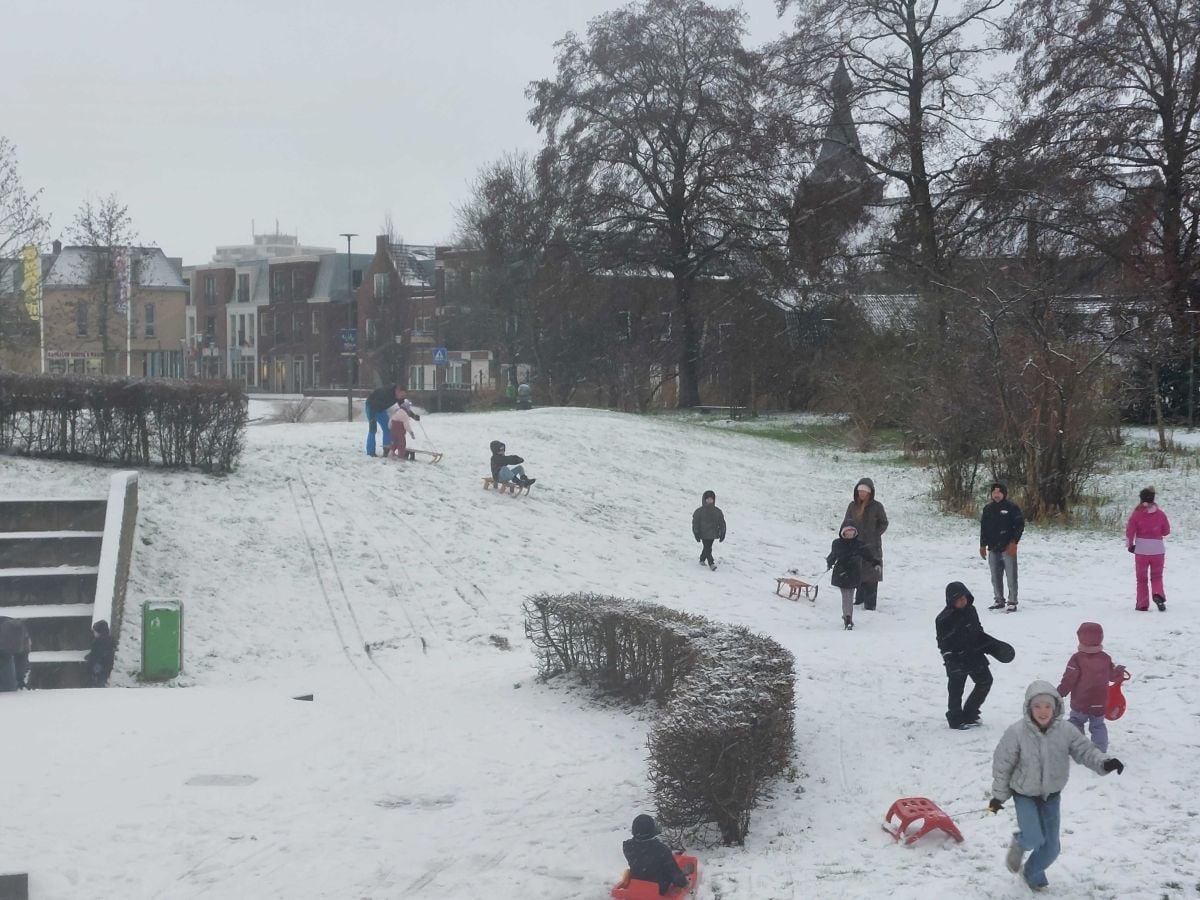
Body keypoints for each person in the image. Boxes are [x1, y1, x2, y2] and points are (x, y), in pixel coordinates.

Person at [988, 682, 1125, 891]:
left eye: (1047, 706)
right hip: (1024, 794)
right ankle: (1020, 843)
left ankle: (1032, 872)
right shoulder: (1016, 732)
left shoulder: (1066, 731)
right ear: (1028, 708)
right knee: (1033, 837)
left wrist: (1104, 762)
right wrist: (998, 797)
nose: (1043, 711)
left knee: (1051, 847)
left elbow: (1084, 750)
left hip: (1051, 795)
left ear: (1056, 708)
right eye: (1037, 706)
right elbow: (1002, 765)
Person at [1056, 623, 1125, 752]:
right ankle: (1100, 749)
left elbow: (1069, 679)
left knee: (1076, 722)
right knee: (1098, 726)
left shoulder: (1077, 659)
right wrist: (1118, 672)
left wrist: (1060, 692)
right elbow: (1111, 677)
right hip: (1100, 701)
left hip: (1081, 702)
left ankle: (1078, 747)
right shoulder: (1105, 658)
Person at [935, 582, 993, 729]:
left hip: (974, 654)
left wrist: (987, 645)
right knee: (956, 689)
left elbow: (978, 630)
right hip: (956, 658)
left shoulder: (971, 611)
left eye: (964, 598)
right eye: (958, 599)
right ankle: (955, 718)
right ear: (951, 600)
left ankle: (970, 712)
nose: (962, 601)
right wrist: (949, 659)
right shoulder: (943, 619)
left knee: (985, 681)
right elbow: (942, 642)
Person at [842, 477, 887, 610]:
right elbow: (846, 522)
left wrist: (875, 533)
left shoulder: (877, 506)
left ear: (870, 493)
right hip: (856, 544)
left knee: (872, 573)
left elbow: (884, 523)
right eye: (859, 491)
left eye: (864, 491)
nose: (861, 494)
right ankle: (859, 599)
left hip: (873, 545)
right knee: (857, 571)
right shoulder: (852, 506)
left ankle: (870, 603)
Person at [826, 523, 880, 631]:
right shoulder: (837, 543)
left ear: (855, 533)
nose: (850, 534)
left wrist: (876, 563)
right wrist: (829, 563)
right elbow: (833, 555)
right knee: (846, 596)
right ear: (843, 533)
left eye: (852, 532)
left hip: (854, 573)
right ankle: (848, 617)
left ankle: (847, 617)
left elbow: (867, 555)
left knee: (849, 596)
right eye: (847, 532)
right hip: (842, 572)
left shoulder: (859, 544)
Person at [980, 482, 1024, 612]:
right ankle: (999, 599)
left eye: (999, 492)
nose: (996, 495)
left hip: (1007, 547)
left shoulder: (1011, 507)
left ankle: (1012, 601)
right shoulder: (987, 509)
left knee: (1011, 575)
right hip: (993, 547)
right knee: (995, 576)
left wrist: (1014, 542)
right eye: (994, 493)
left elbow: (1020, 525)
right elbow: (984, 528)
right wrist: (982, 545)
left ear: (1003, 494)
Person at [622, 814, 691, 895]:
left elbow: (643, 860)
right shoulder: (661, 850)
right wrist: (683, 882)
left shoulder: (628, 846)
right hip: (658, 889)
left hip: (636, 884)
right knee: (672, 870)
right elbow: (673, 873)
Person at [1125, 486, 1169, 611]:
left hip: (1141, 551)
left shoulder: (1136, 514)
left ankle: (1142, 604)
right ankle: (1157, 594)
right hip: (1158, 551)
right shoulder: (1161, 514)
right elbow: (1166, 531)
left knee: (1141, 579)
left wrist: (1130, 545)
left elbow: (1129, 531)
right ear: (1153, 499)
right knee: (1157, 576)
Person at [364, 385, 420, 458]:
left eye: (404, 395)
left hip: (381, 410)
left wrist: (413, 416)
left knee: (388, 428)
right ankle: (370, 452)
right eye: (402, 394)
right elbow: (373, 404)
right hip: (371, 407)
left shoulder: (398, 397)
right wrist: (372, 420)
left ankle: (387, 450)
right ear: (397, 391)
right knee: (373, 429)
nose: (402, 397)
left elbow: (403, 408)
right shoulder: (385, 393)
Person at [691, 490, 726, 571]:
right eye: (708, 499)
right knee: (708, 548)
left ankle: (702, 559)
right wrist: (696, 532)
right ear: (704, 500)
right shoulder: (699, 511)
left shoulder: (717, 511)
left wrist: (722, 532)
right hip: (703, 534)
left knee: (707, 547)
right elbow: (695, 523)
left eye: (711, 499)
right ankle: (711, 563)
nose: (709, 501)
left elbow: (722, 522)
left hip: (713, 534)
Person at [0, 616, 29, 693]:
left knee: (9, 688)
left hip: (7, 655)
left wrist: (20, 678)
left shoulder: (23, 638)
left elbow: (22, 658)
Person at [85, 620, 115, 687]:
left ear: (100, 632)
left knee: (99, 679)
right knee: (103, 678)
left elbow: (95, 654)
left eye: (95, 631)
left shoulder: (98, 643)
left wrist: (90, 660)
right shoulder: (109, 640)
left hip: (99, 665)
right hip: (107, 665)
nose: (94, 633)